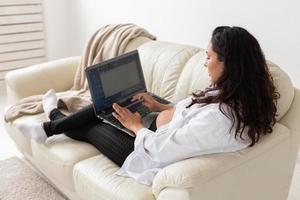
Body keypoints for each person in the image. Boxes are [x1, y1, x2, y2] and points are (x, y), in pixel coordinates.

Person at [16, 26, 279, 185]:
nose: (204, 62)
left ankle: (50, 122)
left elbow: (163, 151)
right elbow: (192, 114)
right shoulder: (240, 92)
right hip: (165, 124)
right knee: (119, 101)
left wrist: (135, 126)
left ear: (230, 63)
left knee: (96, 120)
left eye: (209, 57)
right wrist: (160, 106)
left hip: (147, 150)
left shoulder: (221, 118)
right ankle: (51, 123)